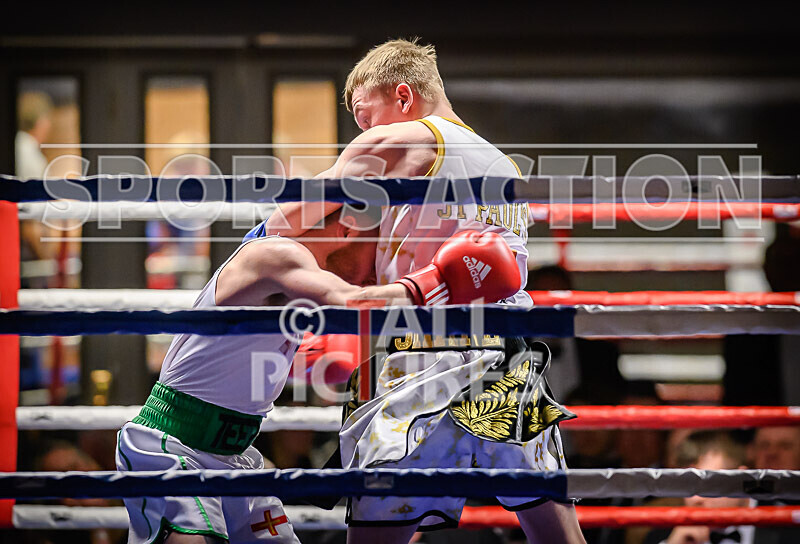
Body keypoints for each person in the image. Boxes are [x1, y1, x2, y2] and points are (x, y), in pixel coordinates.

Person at [262, 38, 584, 544]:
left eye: (367, 116)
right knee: (557, 532)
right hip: (505, 360)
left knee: (379, 532)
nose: (363, 133)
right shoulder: (503, 164)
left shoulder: (404, 138)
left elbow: (292, 217)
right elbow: (497, 269)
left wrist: (257, 251)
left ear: (405, 96)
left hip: (421, 362)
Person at [116, 204, 523, 544]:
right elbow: (350, 301)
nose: (374, 274)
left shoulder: (297, 282)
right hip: (172, 443)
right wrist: (439, 281)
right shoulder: (276, 253)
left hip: (233, 455)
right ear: (349, 227)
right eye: (377, 253)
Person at [644, 431, 751, 544]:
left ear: (740, 480)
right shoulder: (663, 537)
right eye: (687, 485)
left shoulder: (771, 518)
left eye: (706, 484)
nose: (695, 499)